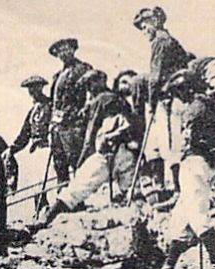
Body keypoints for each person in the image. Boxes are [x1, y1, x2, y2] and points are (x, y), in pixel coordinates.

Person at [41, 70, 140, 221]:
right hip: (126, 152)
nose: (89, 88)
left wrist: (82, 159)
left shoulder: (101, 100)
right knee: (132, 190)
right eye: (87, 85)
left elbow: (91, 132)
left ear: (101, 80)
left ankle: (48, 217)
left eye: (91, 83)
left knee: (77, 188)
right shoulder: (120, 100)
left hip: (107, 152)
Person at [162, 73, 215, 269]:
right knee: (181, 219)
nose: (178, 98)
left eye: (178, 93)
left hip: (195, 163)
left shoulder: (194, 109)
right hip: (207, 163)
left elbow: (187, 142)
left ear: (185, 90)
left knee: (197, 213)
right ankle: (168, 268)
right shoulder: (209, 105)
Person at [137, 6, 195, 193]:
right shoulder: (171, 41)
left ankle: (179, 189)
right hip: (180, 96)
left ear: (154, 22)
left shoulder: (160, 42)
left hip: (169, 98)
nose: (144, 31)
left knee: (170, 145)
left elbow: (155, 77)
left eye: (145, 26)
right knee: (175, 143)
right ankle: (179, 187)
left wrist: (152, 104)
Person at [48, 38, 96, 187]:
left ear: (73, 49)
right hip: (57, 126)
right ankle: (63, 196)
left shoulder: (83, 68)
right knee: (59, 162)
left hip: (73, 124)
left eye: (65, 49)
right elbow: (54, 102)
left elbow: (92, 92)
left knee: (76, 160)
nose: (62, 54)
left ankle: (77, 198)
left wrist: (84, 112)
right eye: (59, 52)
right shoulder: (57, 76)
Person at [11, 75, 54, 191]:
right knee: (36, 181)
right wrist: (12, 149)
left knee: (50, 179)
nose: (32, 91)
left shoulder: (51, 105)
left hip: (49, 147)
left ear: (41, 87)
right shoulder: (32, 111)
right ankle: (41, 207)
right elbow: (25, 133)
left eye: (35, 87)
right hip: (36, 149)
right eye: (30, 88)